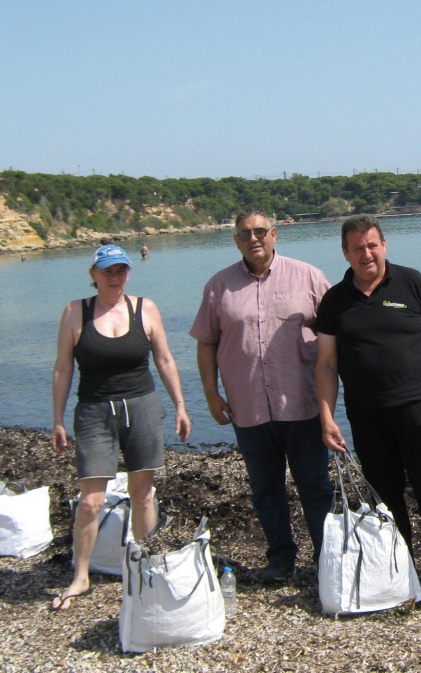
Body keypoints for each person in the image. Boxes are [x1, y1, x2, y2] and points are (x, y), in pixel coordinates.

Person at [314, 215, 421, 595]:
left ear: (384, 245)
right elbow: (326, 363)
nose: (366, 253)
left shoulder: (412, 283)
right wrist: (327, 416)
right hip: (365, 414)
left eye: (372, 244)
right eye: (357, 247)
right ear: (345, 252)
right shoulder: (334, 301)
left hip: (417, 408)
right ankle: (400, 572)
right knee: (386, 499)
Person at [190, 209, 333, 583]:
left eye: (259, 231)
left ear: (274, 234)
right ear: (235, 240)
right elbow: (206, 343)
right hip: (247, 405)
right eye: (244, 234)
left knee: (315, 486)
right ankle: (280, 559)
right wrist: (211, 395)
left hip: (302, 403)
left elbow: (337, 334)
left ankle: (327, 559)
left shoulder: (309, 276)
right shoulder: (218, 286)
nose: (253, 239)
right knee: (265, 488)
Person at [51, 244, 191, 610]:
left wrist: (180, 405)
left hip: (142, 406)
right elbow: (63, 369)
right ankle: (80, 576)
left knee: (143, 493)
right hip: (94, 412)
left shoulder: (145, 308)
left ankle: (147, 564)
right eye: (108, 271)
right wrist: (57, 420)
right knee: (91, 501)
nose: (115, 278)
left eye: (121, 271)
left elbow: (164, 357)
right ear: (93, 274)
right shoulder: (74, 312)